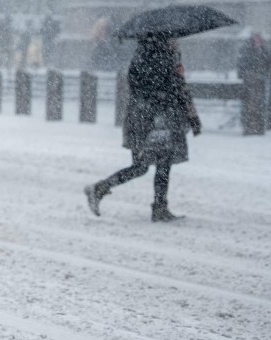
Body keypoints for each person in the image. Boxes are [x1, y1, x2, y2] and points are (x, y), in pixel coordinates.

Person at [85, 35, 200, 222]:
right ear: (164, 38)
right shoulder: (149, 57)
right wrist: (171, 80)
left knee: (163, 163)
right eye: (174, 38)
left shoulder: (163, 56)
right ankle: (100, 188)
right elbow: (145, 88)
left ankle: (159, 207)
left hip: (156, 118)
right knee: (142, 166)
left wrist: (177, 78)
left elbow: (175, 90)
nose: (177, 41)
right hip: (147, 120)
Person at [236, 33, 269, 131]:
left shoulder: (264, 51)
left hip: (260, 81)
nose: (257, 41)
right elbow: (242, 65)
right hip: (249, 81)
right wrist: (249, 73)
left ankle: (258, 123)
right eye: (256, 39)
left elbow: (267, 64)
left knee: (260, 102)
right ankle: (247, 122)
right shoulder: (247, 50)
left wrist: (262, 72)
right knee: (247, 102)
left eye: (259, 39)